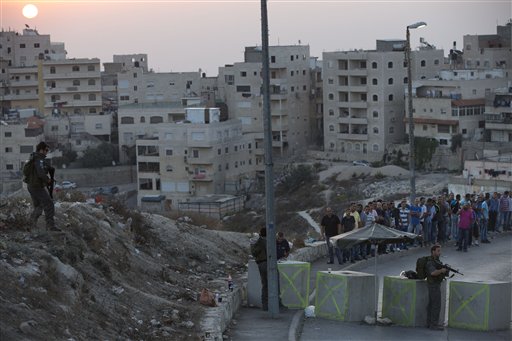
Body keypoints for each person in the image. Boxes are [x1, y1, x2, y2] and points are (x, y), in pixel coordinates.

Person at [26, 141, 59, 231]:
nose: (47, 152)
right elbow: (40, 173)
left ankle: (31, 224)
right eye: (46, 150)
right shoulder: (39, 159)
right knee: (49, 203)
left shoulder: (34, 157)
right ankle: (50, 226)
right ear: (41, 150)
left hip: (32, 185)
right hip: (36, 186)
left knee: (39, 206)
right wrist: (47, 180)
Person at [426, 244, 449, 330]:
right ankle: (433, 325)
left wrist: (446, 270)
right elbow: (433, 273)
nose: (440, 252)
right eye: (438, 251)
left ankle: (430, 323)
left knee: (432, 304)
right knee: (436, 305)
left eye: (440, 251)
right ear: (433, 251)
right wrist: (441, 270)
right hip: (433, 285)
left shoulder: (437, 261)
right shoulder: (430, 262)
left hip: (435, 284)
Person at [251, 227, 269, 310]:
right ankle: (267, 305)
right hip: (265, 263)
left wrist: (252, 245)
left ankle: (266, 305)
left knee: (266, 284)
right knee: (268, 284)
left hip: (263, 263)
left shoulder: (261, 241)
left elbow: (254, 252)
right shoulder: (264, 241)